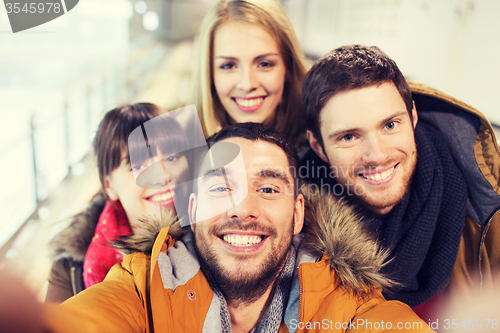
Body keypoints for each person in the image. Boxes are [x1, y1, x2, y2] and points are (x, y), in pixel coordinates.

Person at [45, 123, 433, 332]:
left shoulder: (348, 306)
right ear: (192, 207)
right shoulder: (142, 286)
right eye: (220, 187)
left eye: (267, 187)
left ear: (297, 214)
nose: (244, 208)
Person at [301, 45, 500, 322]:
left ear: (413, 117)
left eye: (390, 125)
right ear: (318, 147)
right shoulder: (294, 233)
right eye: (348, 137)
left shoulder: (489, 215)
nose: (378, 155)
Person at [46, 103, 192, 302]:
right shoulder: (70, 272)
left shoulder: (219, 238)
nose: (162, 176)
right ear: (109, 186)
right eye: (138, 165)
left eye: (173, 157)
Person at [190, 0, 308, 145]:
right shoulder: (178, 148)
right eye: (228, 66)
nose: (247, 84)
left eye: (264, 64)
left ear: (288, 68)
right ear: (209, 74)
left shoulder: (318, 147)